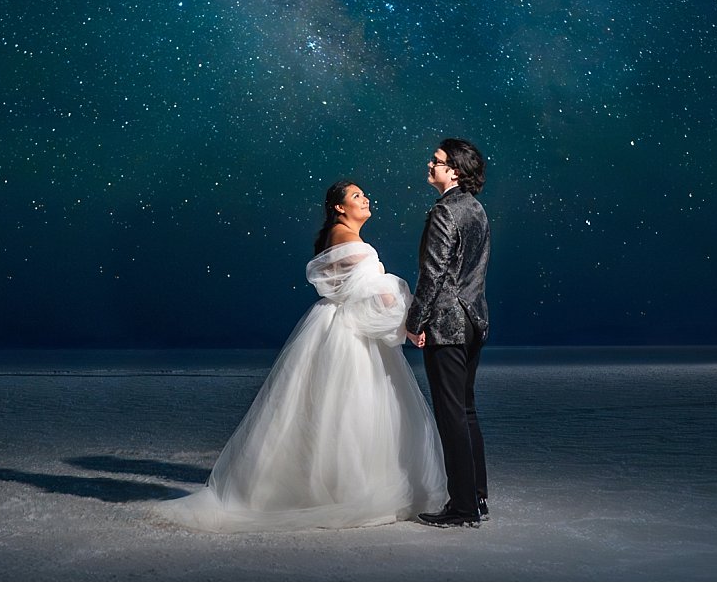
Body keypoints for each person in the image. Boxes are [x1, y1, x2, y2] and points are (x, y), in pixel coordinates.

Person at [156, 181, 446, 532]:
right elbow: (376, 292)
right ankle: (347, 491)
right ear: (339, 207)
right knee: (353, 409)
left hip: (333, 325)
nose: (365, 199)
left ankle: (320, 483)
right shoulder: (349, 240)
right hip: (348, 334)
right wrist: (412, 322)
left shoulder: (338, 237)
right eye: (356, 196)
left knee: (330, 409)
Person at [404, 138, 490, 528]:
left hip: (447, 324)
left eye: (437, 161)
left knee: (452, 415)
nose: (430, 165)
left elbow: (433, 273)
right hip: (474, 321)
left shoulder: (444, 211)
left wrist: (414, 321)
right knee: (467, 411)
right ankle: (478, 497)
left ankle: (463, 507)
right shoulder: (476, 209)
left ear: (454, 170)